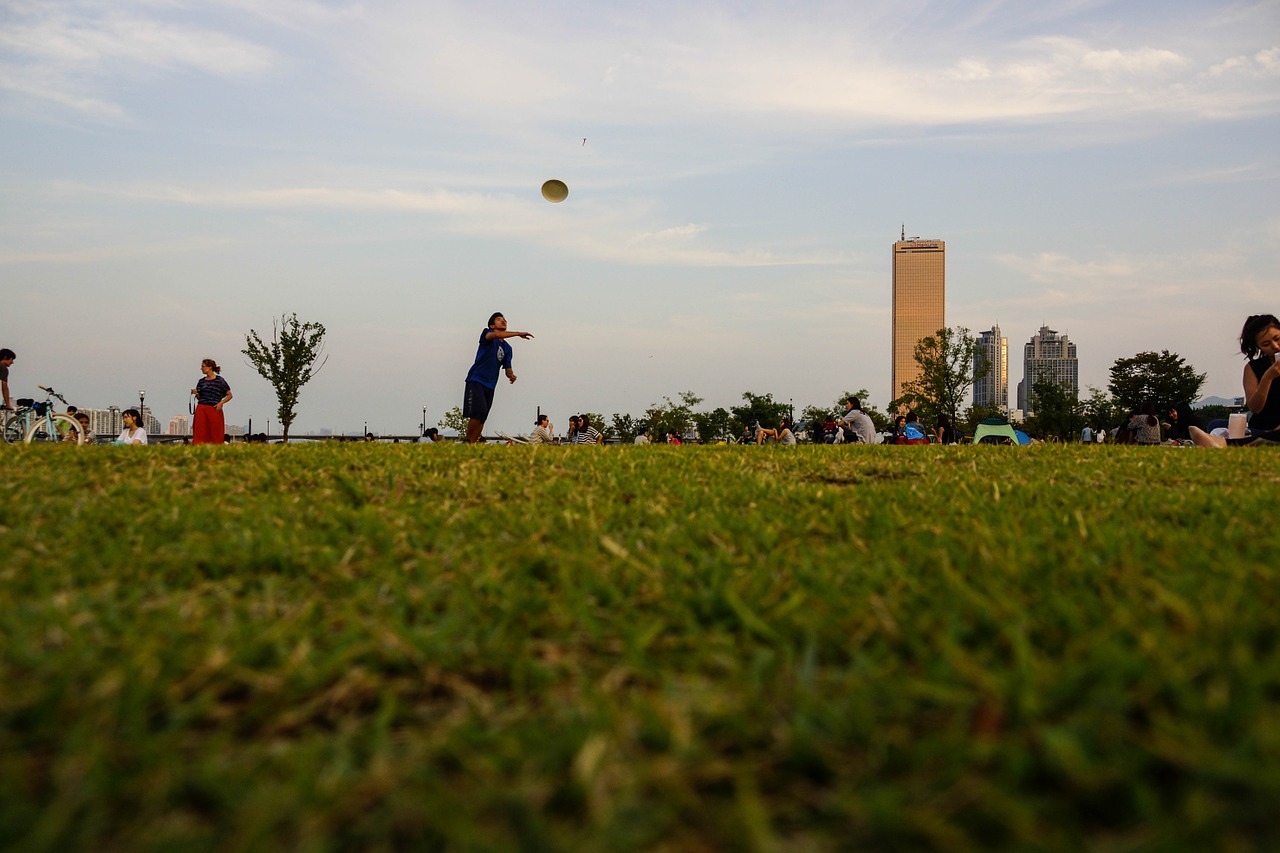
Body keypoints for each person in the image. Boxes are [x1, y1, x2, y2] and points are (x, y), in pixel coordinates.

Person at [463, 312, 533, 444]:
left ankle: (471, 444)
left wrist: (511, 375)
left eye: (505, 319)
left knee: (483, 416)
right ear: (491, 325)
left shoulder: (507, 348)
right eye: (499, 319)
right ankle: (467, 439)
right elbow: (497, 335)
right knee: (479, 411)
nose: (503, 321)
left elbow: (507, 369)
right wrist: (518, 333)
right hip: (476, 379)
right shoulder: (487, 334)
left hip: (490, 384)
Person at [1239, 313, 1280, 434]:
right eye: (1266, 344)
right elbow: (1255, 408)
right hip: (1263, 427)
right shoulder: (1253, 368)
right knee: (1216, 424)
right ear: (1258, 347)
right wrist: (1267, 378)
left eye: (1277, 339)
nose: (1275, 346)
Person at [191, 358, 232, 445]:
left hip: (214, 408)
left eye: (203, 366)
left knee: (215, 432)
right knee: (200, 431)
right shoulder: (201, 381)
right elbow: (200, 397)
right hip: (201, 408)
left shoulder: (220, 380)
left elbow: (229, 395)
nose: (201, 368)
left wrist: (221, 403)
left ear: (210, 367)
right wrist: (196, 393)